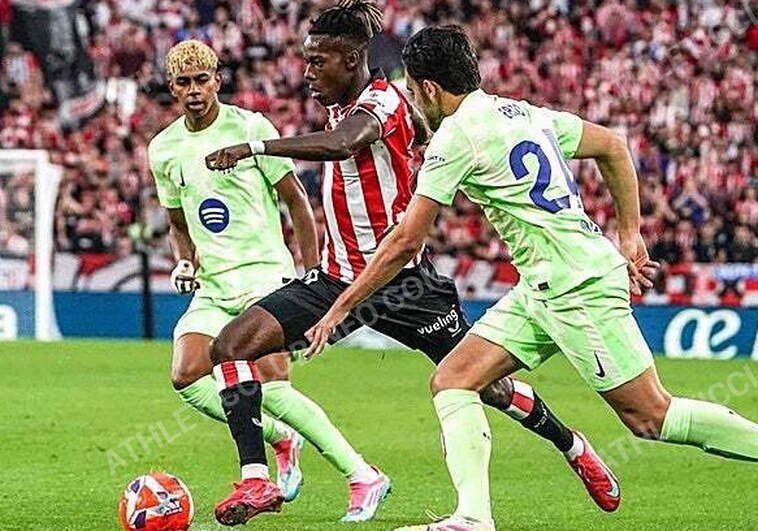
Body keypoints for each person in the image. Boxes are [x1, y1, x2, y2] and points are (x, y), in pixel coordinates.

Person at [304, 26, 758, 531]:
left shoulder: (455, 136)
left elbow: (406, 242)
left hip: (576, 286)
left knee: (651, 417)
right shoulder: (521, 113)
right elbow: (612, 145)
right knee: (453, 380)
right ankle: (472, 518)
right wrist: (629, 234)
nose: (412, 101)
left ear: (430, 88)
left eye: (412, 90)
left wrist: (341, 306)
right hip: (542, 287)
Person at [205, 2, 622, 526]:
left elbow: (345, 145)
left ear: (353, 59)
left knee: (485, 386)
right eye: (306, 61)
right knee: (231, 346)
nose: (307, 73)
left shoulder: (383, 101)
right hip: (336, 279)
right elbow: (395, 139)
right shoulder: (345, 105)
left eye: (318, 62)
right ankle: (256, 478)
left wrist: (255, 147)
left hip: (402, 283)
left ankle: (571, 445)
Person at [148, 39, 386, 520]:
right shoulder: (164, 149)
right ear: (172, 88)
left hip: (265, 278)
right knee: (186, 375)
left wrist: (312, 275)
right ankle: (281, 437)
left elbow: (296, 200)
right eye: (183, 83)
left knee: (273, 386)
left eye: (202, 80)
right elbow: (177, 222)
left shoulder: (250, 128)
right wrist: (185, 261)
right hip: (214, 286)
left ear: (217, 80)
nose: (194, 91)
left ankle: (362, 474)